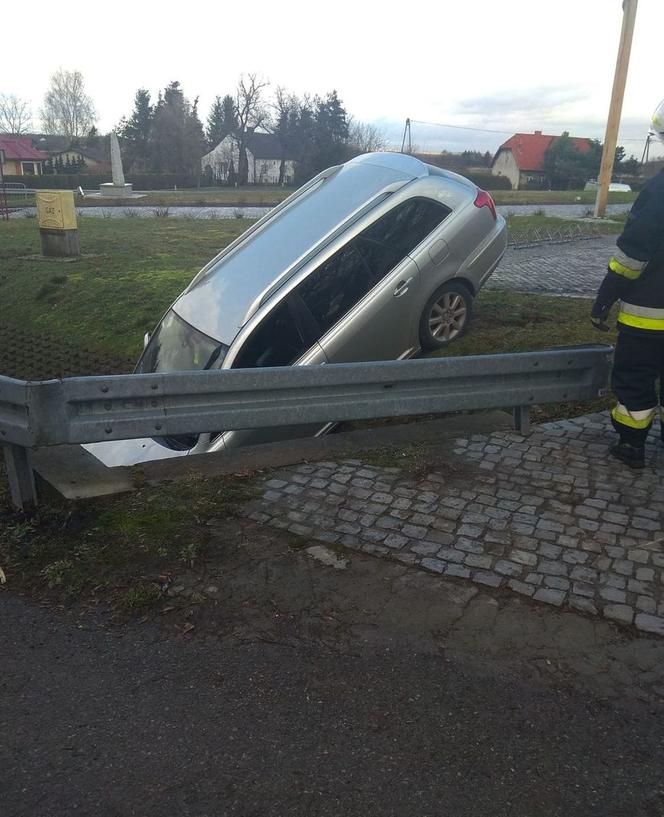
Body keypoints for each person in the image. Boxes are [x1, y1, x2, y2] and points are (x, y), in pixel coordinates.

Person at [591, 99, 664, 469]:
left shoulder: (658, 191)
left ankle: (632, 447)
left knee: (634, 378)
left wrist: (605, 297)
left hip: (649, 319)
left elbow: (633, 256)